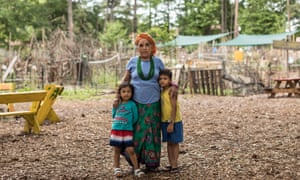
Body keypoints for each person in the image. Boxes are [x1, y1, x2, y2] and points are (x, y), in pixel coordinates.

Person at [119, 32, 177, 171]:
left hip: (154, 104)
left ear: (152, 47)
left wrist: (174, 86)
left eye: (147, 45)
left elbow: (166, 79)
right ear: (137, 48)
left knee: (152, 133)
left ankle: (151, 164)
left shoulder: (158, 62)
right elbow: (125, 80)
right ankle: (135, 162)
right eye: (141, 45)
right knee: (137, 133)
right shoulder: (132, 62)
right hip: (136, 103)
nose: (144, 48)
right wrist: (118, 97)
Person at [109, 82, 144, 178]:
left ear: (132, 93)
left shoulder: (132, 104)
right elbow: (113, 115)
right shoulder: (118, 103)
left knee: (131, 150)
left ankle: (137, 169)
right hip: (116, 130)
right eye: (123, 91)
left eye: (129, 91)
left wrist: (128, 125)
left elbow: (135, 117)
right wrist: (114, 107)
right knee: (117, 149)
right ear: (120, 93)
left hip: (127, 131)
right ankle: (117, 168)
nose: (126, 94)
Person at [158, 69, 183, 173]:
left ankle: (175, 164)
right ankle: (171, 163)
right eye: (160, 79)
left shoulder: (171, 91)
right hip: (164, 121)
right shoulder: (162, 91)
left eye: (165, 78)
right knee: (169, 143)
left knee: (174, 142)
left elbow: (174, 108)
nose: (162, 81)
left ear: (170, 80)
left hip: (174, 121)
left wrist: (172, 123)